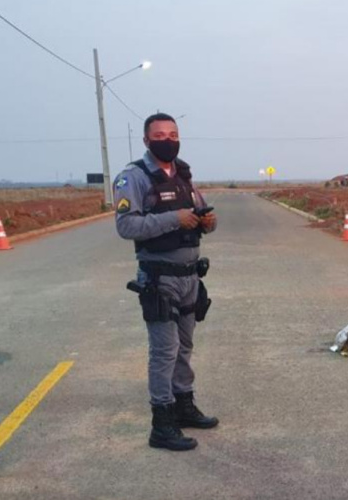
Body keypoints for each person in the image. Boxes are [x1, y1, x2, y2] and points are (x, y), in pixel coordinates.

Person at [113, 113, 218, 451]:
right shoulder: (134, 177)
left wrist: (208, 222)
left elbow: (198, 215)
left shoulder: (184, 176)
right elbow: (127, 226)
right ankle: (162, 423)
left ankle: (184, 405)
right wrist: (175, 218)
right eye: (159, 134)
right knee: (164, 350)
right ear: (146, 141)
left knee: (185, 346)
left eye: (173, 134)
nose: (168, 139)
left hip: (189, 276)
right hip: (159, 278)